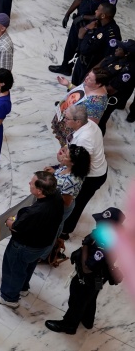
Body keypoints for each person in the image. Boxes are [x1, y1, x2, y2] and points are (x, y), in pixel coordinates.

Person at [0, 172, 65, 308]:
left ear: (40, 191)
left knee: (14, 269)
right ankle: (23, 288)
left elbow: (16, 227)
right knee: (28, 266)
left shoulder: (34, 212)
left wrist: (9, 222)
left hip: (24, 246)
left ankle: (9, 297)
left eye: (31, 182)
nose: (29, 183)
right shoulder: (57, 197)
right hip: (42, 244)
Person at [45, 207, 123, 334]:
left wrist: (86, 245)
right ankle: (88, 320)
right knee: (91, 297)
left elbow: (87, 269)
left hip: (89, 279)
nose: (98, 223)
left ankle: (69, 325)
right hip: (100, 278)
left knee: (77, 300)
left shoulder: (104, 244)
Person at [51, 0, 120, 77]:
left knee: (84, 50)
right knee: (70, 45)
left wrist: (84, 17)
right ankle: (65, 67)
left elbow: (104, 14)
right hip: (78, 20)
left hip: (92, 25)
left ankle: (82, 76)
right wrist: (68, 13)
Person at [58, 105, 108, 239]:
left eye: (67, 118)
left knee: (75, 203)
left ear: (78, 121)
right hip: (91, 169)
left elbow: (81, 165)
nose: (64, 120)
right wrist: (66, 149)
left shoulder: (84, 139)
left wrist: (62, 160)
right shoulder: (88, 123)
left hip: (91, 176)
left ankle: (65, 231)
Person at [43, 144, 91, 265]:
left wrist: (48, 192)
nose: (63, 155)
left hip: (59, 208)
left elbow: (66, 201)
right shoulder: (65, 167)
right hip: (53, 203)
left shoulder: (72, 180)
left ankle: (45, 255)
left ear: (73, 163)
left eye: (66, 155)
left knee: (51, 231)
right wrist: (54, 173)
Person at [68, 4, 122, 86]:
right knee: (72, 87)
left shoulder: (112, 33)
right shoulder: (96, 23)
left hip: (92, 66)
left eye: (98, 10)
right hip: (81, 61)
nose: (95, 11)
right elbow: (81, 34)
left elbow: (109, 57)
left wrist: (93, 71)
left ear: (103, 15)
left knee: (82, 91)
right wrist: (87, 28)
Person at [51, 68, 110, 143]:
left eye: (90, 79)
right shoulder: (89, 84)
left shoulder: (97, 103)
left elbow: (89, 125)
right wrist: (68, 85)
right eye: (88, 75)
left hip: (73, 126)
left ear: (98, 84)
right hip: (66, 115)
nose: (86, 78)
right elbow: (80, 92)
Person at [96, 39, 135, 128]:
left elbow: (111, 90)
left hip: (110, 98)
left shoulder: (129, 70)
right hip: (102, 92)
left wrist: (93, 88)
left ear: (127, 53)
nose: (117, 49)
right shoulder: (118, 59)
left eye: (120, 48)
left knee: (101, 121)